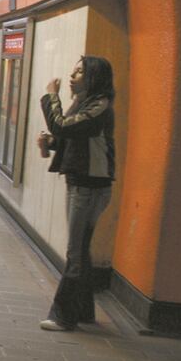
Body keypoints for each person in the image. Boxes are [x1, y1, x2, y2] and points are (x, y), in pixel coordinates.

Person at [36, 56, 116, 332]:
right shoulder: (84, 104)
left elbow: (62, 126)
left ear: (95, 76)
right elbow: (67, 138)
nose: (73, 76)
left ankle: (64, 316)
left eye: (80, 72)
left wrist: (51, 97)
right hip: (79, 183)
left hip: (91, 188)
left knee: (75, 251)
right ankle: (83, 311)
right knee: (80, 248)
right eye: (73, 71)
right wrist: (49, 144)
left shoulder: (100, 106)